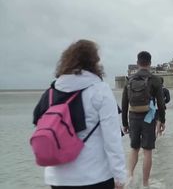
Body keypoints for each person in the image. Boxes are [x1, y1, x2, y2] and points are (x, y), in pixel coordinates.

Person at [32, 39, 126, 189]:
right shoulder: (100, 90)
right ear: (94, 63)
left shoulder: (50, 93)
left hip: (57, 178)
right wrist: (120, 176)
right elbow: (112, 139)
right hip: (94, 176)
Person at [121, 51, 166, 187]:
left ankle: (129, 177)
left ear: (137, 63)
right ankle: (145, 184)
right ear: (150, 63)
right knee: (147, 151)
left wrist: (124, 123)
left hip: (133, 116)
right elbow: (161, 103)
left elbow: (124, 103)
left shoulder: (130, 80)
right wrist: (162, 121)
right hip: (149, 118)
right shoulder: (155, 80)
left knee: (134, 148)